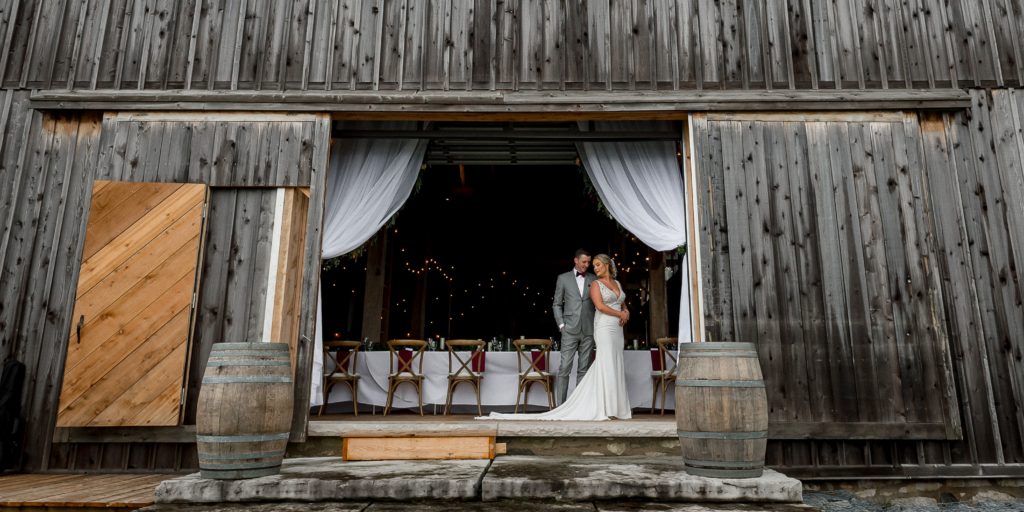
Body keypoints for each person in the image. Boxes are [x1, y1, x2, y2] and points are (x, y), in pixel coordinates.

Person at [483, 254, 632, 421]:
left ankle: (613, 406)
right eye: (590, 263)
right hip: (592, 327)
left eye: (596, 264)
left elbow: (621, 302)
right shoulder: (579, 281)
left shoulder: (613, 282)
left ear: (607, 265)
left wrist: (626, 312)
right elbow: (590, 305)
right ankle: (566, 405)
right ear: (575, 260)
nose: (592, 267)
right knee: (567, 367)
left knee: (600, 365)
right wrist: (562, 326)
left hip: (601, 329)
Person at [552, 249, 596, 405]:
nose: (587, 265)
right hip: (569, 329)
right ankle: (560, 406)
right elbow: (557, 304)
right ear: (576, 260)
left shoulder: (594, 279)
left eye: (588, 262)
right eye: (584, 262)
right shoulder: (563, 278)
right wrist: (562, 325)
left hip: (589, 329)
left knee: (583, 369)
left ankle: (579, 406)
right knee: (564, 368)